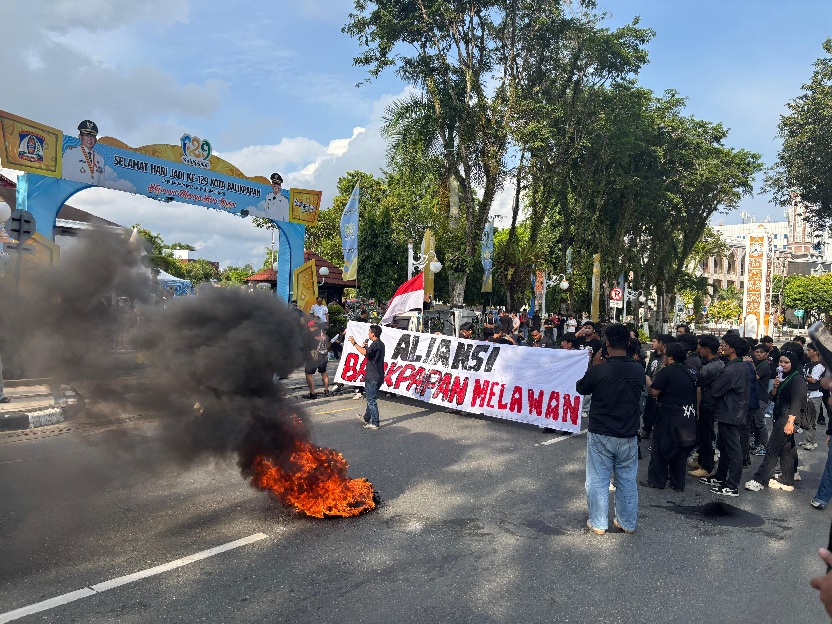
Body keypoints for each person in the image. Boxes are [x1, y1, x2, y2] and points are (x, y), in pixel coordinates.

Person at [576, 323, 646, 535]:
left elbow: (581, 388)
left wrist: (594, 365)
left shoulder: (600, 370)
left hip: (601, 432)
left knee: (598, 480)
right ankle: (627, 523)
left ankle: (598, 523)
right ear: (628, 343)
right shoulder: (638, 369)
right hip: (628, 434)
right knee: (626, 480)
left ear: (606, 343)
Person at [744, 350, 804, 493]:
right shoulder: (784, 376)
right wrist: (776, 386)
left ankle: (759, 480)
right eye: (781, 361)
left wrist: (790, 422)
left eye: (786, 362)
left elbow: (796, 402)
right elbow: (773, 397)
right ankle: (787, 480)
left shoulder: (797, 379)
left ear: (793, 363)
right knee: (786, 450)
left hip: (788, 416)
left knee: (772, 449)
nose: (782, 364)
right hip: (781, 415)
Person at [641, 342, 697, 491]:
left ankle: (657, 480)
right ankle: (678, 483)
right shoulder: (692, 370)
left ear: (670, 357)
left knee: (660, 448)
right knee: (681, 450)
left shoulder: (667, 372)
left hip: (669, 414)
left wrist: (647, 380)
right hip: (688, 413)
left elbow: (654, 392)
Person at [700, 333, 749, 497]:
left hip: (730, 412)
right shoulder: (741, 366)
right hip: (733, 411)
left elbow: (715, 390)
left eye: (725, 344)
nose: (722, 346)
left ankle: (732, 485)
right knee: (726, 448)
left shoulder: (732, 369)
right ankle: (720, 477)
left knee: (733, 450)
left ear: (732, 349)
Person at [350, 324, 385, 430]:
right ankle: (366, 418)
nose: (368, 334)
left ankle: (375, 423)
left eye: (369, 332)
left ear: (373, 334)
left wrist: (354, 344)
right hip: (378, 376)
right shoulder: (380, 344)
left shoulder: (375, 344)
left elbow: (365, 352)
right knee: (371, 398)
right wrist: (365, 346)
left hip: (372, 376)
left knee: (371, 400)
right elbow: (368, 354)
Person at [63, 120, 104, 185]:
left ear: (95, 140)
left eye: (92, 136)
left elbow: (102, 183)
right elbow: (65, 178)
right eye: (86, 135)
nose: (90, 139)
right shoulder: (71, 153)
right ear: (80, 137)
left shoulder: (100, 159)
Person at [803, 342, 825, 451]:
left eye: (809, 350)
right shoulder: (808, 364)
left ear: (816, 352)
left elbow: (813, 380)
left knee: (811, 420)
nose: (807, 352)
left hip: (815, 395)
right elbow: (809, 378)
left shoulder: (819, 365)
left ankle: (811, 442)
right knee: (806, 419)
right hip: (807, 394)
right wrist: (808, 377)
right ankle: (810, 440)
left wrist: (806, 377)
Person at [750, 343, 771, 454]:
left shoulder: (764, 365)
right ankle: (757, 443)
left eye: (761, 352)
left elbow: (755, 378)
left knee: (760, 423)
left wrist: (750, 364)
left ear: (766, 354)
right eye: (757, 352)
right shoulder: (758, 363)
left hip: (760, 398)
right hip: (755, 397)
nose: (758, 354)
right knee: (754, 423)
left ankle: (764, 446)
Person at [304, 321, 330, 399]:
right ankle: (326, 390)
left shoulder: (309, 335)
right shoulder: (323, 333)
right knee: (324, 373)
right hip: (323, 356)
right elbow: (328, 344)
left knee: (309, 375)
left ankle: (312, 393)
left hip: (313, 358)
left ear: (311, 327)